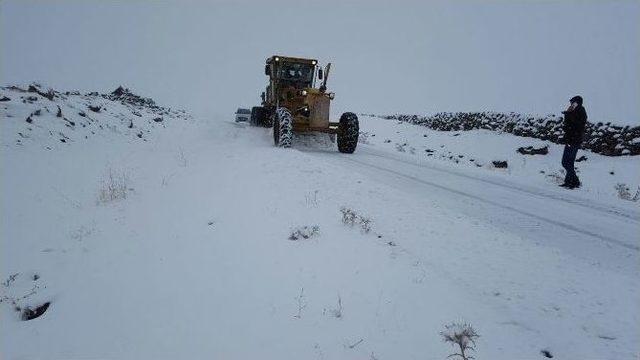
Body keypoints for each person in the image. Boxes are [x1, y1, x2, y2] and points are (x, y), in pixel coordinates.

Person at [560, 95, 587, 189]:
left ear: (577, 102)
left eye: (573, 102)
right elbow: (567, 126)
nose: (571, 104)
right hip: (570, 139)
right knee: (567, 162)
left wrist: (568, 114)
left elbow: (578, 125)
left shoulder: (580, 110)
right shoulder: (573, 111)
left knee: (566, 162)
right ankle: (570, 181)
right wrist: (567, 114)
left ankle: (574, 181)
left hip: (574, 140)